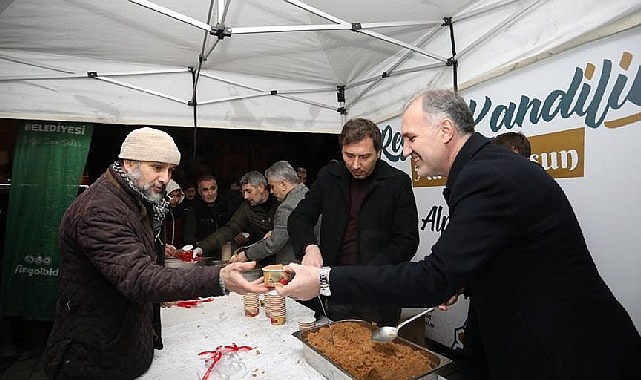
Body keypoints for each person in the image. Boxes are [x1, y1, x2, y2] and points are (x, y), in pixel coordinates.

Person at [277, 89, 641, 379]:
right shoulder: (482, 169)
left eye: (410, 137)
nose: (405, 150)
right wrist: (463, 280)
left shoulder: (488, 176)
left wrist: (325, 280)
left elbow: (433, 277)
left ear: (446, 130)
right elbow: (510, 252)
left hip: (567, 352)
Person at [43, 127, 267, 380]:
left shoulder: (133, 198)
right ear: (129, 162)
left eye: (170, 170)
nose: (164, 178)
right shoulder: (100, 209)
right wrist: (218, 278)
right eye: (157, 167)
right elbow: (139, 277)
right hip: (94, 354)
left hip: (121, 343)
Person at [287, 117, 419, 327]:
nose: (356, 165)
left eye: (364, 157)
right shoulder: (329, 177)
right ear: (341, 152)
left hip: (378, 293)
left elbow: (407, 241)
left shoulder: (397, 183)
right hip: (336, 288)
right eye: (349, 156)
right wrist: (309, 247)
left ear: (378, 152)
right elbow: (299, 217)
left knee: (377, 355)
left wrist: (367, 273)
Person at [232, 161, 309, 265]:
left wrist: (247, 254)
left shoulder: (286, 207)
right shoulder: (309, 195)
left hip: (294, 264)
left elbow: (274, 244)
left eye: (272, 186)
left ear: (283, 184)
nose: (271, 191)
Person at [196, 171, 279, 261]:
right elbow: (230, 229)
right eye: (243, 192)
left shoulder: (279, 203)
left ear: (261, 187)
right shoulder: (246, 207)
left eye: (248, 191)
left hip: (282, 257)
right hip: (259, 257)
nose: (245, 196)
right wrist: (201, 248)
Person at [183, 175, 238, 257]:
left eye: (213, 189)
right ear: (199, 191)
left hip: (224, 252)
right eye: (205, 190)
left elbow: (232, 227)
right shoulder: (193, 209)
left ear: (217, 189)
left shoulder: (226, 205)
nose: (210, 193)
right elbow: (188, 236)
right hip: (202, 254)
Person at [163, 179, 189, 257]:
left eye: (178, 196)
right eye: (172, 196)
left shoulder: (182, 211)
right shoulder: (160, 212)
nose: (176, 199)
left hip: (179, 251)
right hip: (165, 250)